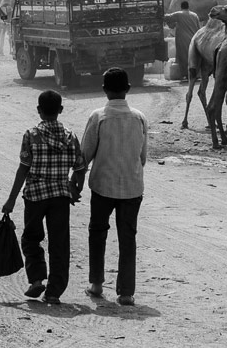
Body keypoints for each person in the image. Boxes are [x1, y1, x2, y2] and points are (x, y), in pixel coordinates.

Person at [2, 90, 87, 304]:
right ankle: (54, 291)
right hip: (60, 197)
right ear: (60, 110)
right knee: (59, 243)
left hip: (35, 196)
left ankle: (37, 279)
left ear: (39, 111)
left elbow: (23, 169)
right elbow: (80, 167)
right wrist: (76, 189)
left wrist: (11, 200)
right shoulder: (70, 136)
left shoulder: (31, 135)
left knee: (31, 238)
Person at [81, 67, 148, 306]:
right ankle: (126, 292)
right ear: (128, 89)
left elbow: (85, 155)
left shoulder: (98, 116)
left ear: (104, 90)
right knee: (127, 238)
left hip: (102, 186)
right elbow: (142, 157)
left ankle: (97, 284)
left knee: (97, 233)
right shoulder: (139, 117)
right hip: (132, 188)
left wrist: (76, 180)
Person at [163, 1, 201, 69]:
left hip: (183, 40)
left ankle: (186, 74)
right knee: (193, 57)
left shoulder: (179, 14)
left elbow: (167, 17)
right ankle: (196, 73)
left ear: (181, 7)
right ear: (188, 7)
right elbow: (199, 28)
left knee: (183, 57)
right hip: (193, 39)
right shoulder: (195, 15)